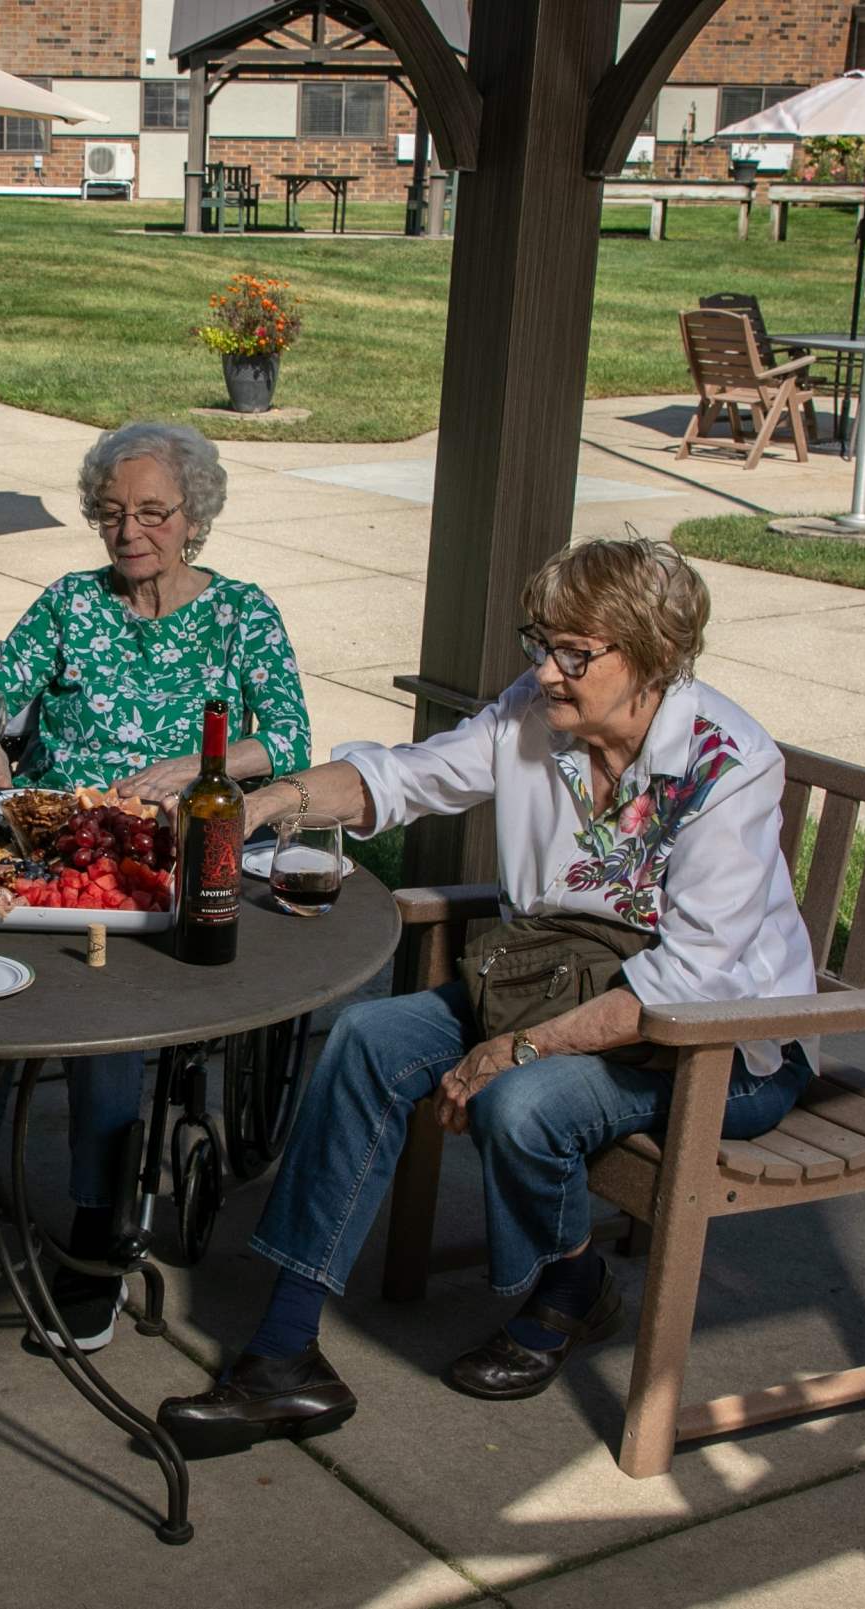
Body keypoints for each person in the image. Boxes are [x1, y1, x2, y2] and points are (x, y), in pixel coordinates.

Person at [157, 537, 817, 1458]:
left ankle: (572, 1284)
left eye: (574, 654)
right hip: (551, 985)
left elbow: (693, 980)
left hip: (721, 1044)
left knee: (524, 1101)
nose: (545, 669)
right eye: (541, 643)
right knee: (366, 1040)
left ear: (655, 653)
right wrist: (270, 802)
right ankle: (282, 1358)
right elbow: (404, 776)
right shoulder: (537, 713)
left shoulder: (728, 763)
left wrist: (519, 1049)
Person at [0, 422, 312, 1357]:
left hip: (155, 863)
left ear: (195, 518)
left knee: (107, 1017)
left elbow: (288, 742)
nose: (130, 530)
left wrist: (189, 766)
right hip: (42, 851)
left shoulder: (241, 613)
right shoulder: (72, 604)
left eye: (152, 511)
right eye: (112, 512)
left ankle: (95, 1233)